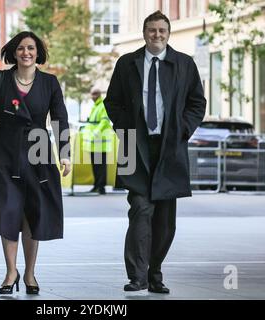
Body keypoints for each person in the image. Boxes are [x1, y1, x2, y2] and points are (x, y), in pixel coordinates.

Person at [104, 11, 206, 293]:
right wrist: (125, 129)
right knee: (140, 209)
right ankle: (137, 276)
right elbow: (112, 102)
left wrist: (182, 130)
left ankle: (155, 273)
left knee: (164, 219)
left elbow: (197, 102)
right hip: (135, 146)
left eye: (161, 30)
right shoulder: (127, 63)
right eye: (151, 30)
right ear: (144, 32)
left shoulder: (184, 64)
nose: (156, 35)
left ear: (168, 33)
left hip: (169, 147)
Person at [0, 31, 71, 295]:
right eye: (21, 49)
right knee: (7, 209)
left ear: (38, 53)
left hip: (38, 150)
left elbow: (60, 119)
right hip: (4, 151)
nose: (26, 53)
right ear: (13, 53)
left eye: (31, 48)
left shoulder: (49, 82)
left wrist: (64, 153)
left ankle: (29, 273)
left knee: (33, 213)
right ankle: (10, 271)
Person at [81, 87, 114, 195]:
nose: (92, 97)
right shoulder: (95, 107)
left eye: (94, 94)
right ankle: (96, 185)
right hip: (93, 142)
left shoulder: (102, 106)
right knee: (95, 165)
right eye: (91, 94)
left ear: (99, 95)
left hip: (100, 141)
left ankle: (101, 186)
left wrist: (96, 132)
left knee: (100, 166)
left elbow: (105, 122)